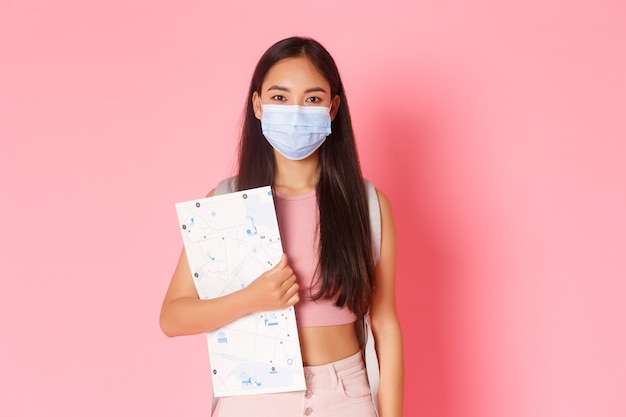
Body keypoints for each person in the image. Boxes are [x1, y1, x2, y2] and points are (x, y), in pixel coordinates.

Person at [160, 36, 404, 417]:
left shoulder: (367, 204)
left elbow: (385, 325)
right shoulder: (226, 201)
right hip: (254, 399)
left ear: (333, 107)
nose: (295, 111)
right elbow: (172, 317)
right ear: (257, 105)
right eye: (279, 97)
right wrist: (252, 299)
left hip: (345, 395)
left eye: (311, 99)